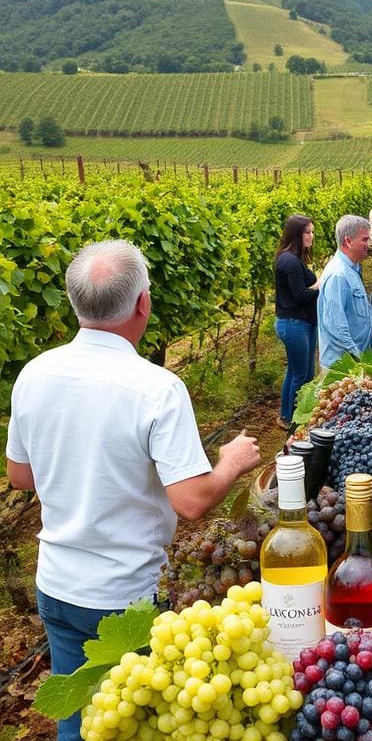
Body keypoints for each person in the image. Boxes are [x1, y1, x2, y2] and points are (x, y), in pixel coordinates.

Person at [6, 240, 261, 741]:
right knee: (137, 722)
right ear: (143, 303)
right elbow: (190, 502)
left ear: (73, 301)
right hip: (128, 597)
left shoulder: (33, 374)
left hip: (58, 585)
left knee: (80, 719)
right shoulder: (156, 387)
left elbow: (21, 476)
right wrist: (230, 462)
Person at [274, 213, 319, 427]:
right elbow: (300, 295)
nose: (311, 236)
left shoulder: (291, 258)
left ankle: (286, 416)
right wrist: (318, 286)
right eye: (307, 232)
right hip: (295, 324)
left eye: (312, 232)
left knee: (295, 371)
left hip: (297, 323)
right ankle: (295, 420)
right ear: (296, 234)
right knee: (302, 374)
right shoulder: (290, 261)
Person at [317, 215, 372, 368]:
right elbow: (336, 327)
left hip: (352, 363)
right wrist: (358, 358)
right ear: (348, 241)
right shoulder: (338, 276)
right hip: (343, 367)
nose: (368, 244)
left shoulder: (352, 269)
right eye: (364, 239)